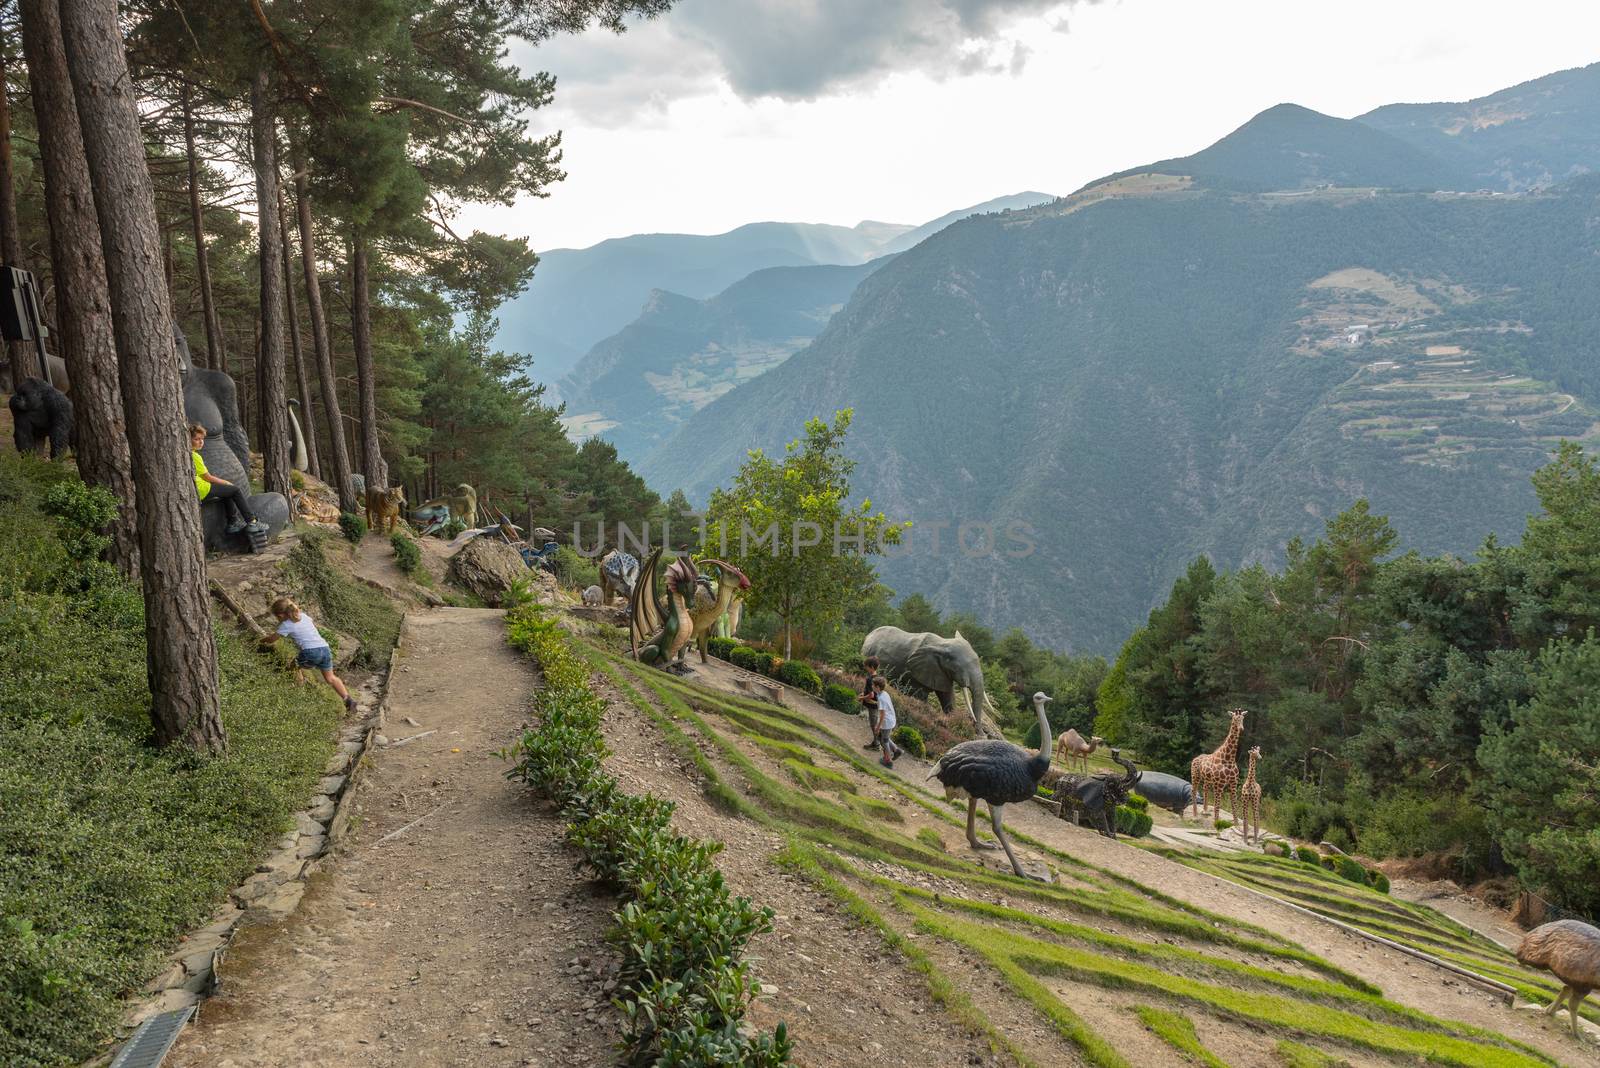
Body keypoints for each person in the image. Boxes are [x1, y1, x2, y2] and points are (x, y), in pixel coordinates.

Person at [260, 597, 356, 712]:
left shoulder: (286, 625)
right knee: (331, 678)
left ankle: (298, 692)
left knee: (293, 667)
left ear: (280, 615)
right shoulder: (304, 616)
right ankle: (348, 700)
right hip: (325, 649)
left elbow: (272, 639)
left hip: (310, 651)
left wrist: (260, 640)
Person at [190, 423, 265, 535]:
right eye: (197, 439)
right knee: (234, 490)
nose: (201, 442)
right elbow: (207, 477)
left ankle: (233, 523)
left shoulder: (190, 454)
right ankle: (251, 520)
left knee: (227, 491)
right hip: (201, 489)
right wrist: (226, 482)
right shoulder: (195, 456)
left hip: (199, 488)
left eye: (202, 439)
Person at [871, 675, 903, 768]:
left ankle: (888, 761)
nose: (872, 687)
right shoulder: (884, 693)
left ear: (877, 687)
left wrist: (877, 727)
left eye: (873, 685)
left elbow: (882, 715)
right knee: (885, 737)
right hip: (891, 719)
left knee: (884, 740)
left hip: (886, 722)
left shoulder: (881, 698)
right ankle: (896, 751)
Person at [860, 655, 883, 749]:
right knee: (874, 724)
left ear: (872, 667)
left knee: (874, 724)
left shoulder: (870, 679)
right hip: (876, 704)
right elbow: (873, 692)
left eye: (867, 667)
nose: (865, 668)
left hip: (873, 705)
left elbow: (871, 695)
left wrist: (862, 698)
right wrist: (863, 693)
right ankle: (876, 742)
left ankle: (878, 744)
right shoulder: (877, 678)